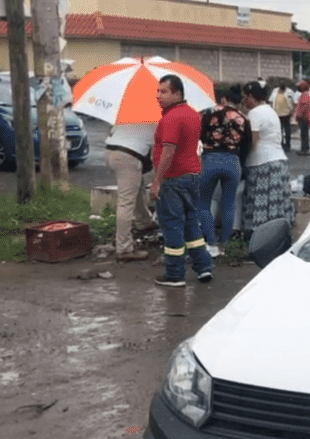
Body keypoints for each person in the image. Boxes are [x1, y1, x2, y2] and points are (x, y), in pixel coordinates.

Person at [149, 74, 213, 287]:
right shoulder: (192, 114)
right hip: (192, 176)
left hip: (173, 179)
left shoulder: (171, 118)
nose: (158, 96)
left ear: (177, 93)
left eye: (163, 91)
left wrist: (157, 181)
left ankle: (175, 274)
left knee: (172, 226)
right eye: (158, 91)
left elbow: (168, 150)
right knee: (191, 225)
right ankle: (203, 267)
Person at [197, 85, 251, 258]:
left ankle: (211, 243)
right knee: (228, 204)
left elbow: (199, 135)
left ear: (223, 98)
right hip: (233, 161)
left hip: (210, 160)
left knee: (204, 203)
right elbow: (247, 145)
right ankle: (225, 244)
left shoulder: (208, 114)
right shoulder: (243, 118)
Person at [242, 81, 295, 233]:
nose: (244, 100)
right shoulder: (270, 110)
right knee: (276, 204)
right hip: (279, 162)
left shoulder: (255, 113)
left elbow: (253, 140)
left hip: (262, 164)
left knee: (259, 202)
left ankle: (257, 237)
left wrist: (241, 158)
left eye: (245, 96)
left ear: (251, 97)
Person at [105, 122, 157, 261]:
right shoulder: (155, 121)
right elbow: (157, 152)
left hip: (111, 151)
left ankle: (143, 221)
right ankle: (124, 248)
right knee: (126, 201)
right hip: (128, 156)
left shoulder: (129, 114)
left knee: (137, 187)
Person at [268, 81, 295, 153]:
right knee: (279, 131)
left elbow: (293, 101)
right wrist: (271, 111)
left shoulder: (289, 91)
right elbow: (271, 101)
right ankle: (281, 144)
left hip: (286, 114)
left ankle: (288, 145)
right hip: (277, 114)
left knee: (287, 130)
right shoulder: (275, 91)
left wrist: (292, 111)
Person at [293, 80, 310, 156]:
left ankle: (304, 149)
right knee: (304, 133)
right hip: (304, 117)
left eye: (299, 86)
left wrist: (298, 115)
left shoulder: (305, 95)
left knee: (303, 134)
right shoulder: (305, 94)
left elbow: (303, 107)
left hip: (303, 118)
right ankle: (305, 148)